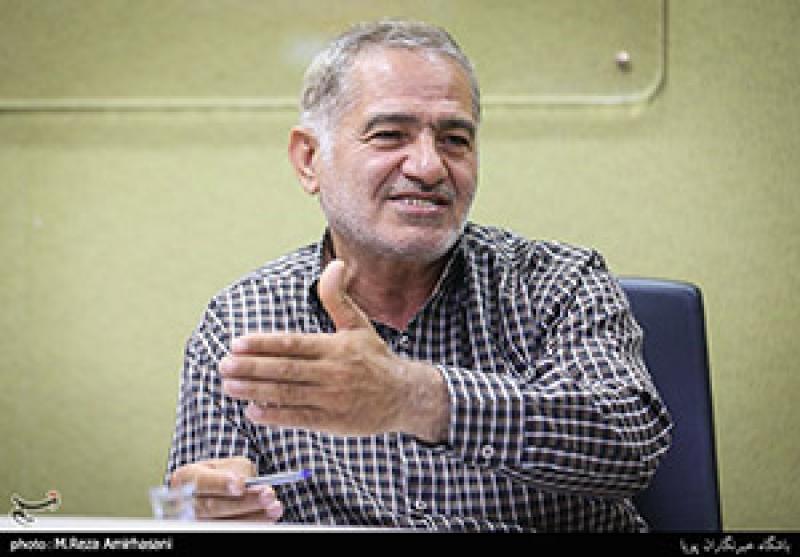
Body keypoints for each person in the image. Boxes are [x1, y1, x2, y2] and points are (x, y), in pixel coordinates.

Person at [165, 19, 673, 532]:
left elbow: (631, 442)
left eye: (454, 139)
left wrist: (413, 396)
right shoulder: (240, 322)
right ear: (309, 159)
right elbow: (198, 498)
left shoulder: (558, 283)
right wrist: (208, 505)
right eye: (390, 135)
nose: (429, 167)